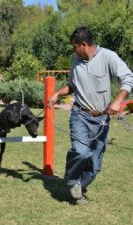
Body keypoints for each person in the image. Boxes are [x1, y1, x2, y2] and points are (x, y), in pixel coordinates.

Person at [49, 27, 133, 205]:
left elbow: (128, 79)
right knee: (81, 151)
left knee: (95, 165)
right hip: (79, 114)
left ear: (84, 45)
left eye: (74, 47)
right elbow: (72, 85)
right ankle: (72, 183)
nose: (73, 51)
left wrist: (117, 101)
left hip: (101, 119)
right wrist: (58, 93)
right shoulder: (76, 60)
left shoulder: (108, 57)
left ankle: (78, 187)